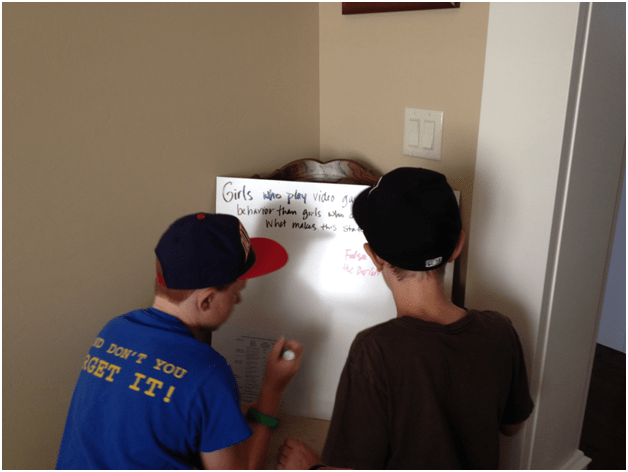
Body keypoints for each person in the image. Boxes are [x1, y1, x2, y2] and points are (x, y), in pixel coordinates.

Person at [277, 167, 534, 470]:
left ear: (373, 256)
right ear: (457, 247)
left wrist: (310, 468)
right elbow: (512, 425)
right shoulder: (500, 330)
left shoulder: (375, 350)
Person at [57, 212, 303, 469]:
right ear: (207, 300)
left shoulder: (113, 330)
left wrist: (223, 415)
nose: (238, 300)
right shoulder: (209, 373)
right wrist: (272, 392)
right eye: (236, 292)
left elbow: (149, 411)